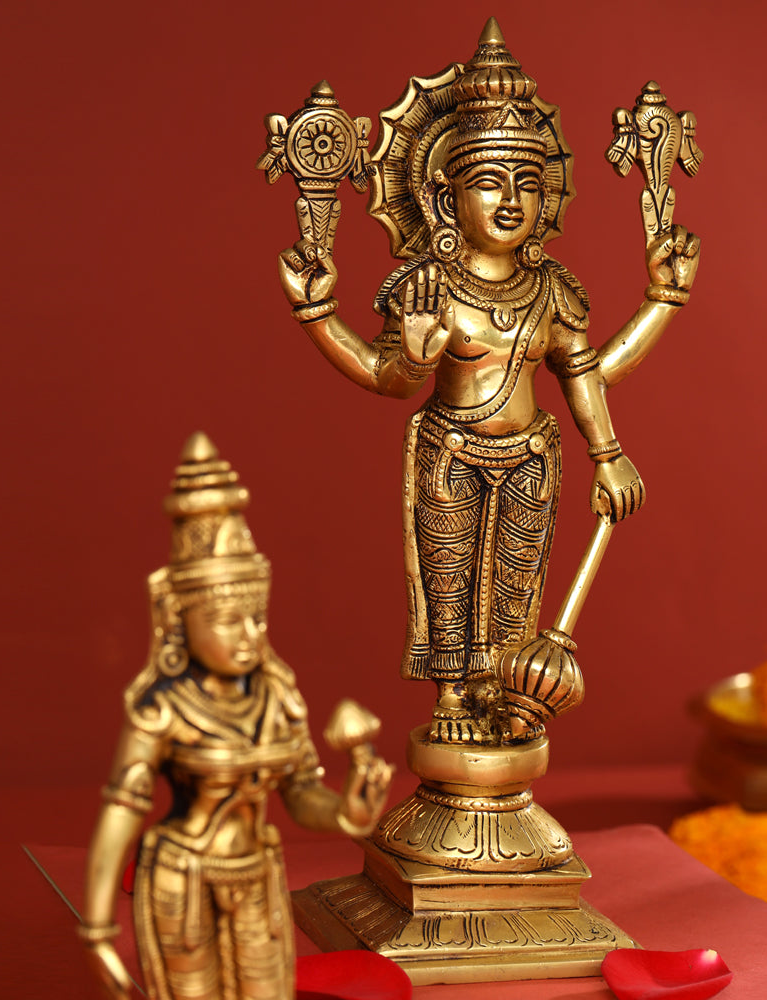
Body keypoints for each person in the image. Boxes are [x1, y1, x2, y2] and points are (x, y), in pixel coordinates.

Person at [277, 20, 700, 744]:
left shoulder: (551, 289)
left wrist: (662, 303)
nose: (511, 201)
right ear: (446, 202)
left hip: (531, 456)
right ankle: (451, 699)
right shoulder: (430, 286)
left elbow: (589, 372)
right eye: (488, 183)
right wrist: (321, 315)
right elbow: (386, 376)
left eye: (528, 185)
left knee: (515, 587)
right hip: (449, 452)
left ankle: (501, 697)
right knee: (449, 582)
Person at [78, 432, 392, 1000]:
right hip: (182, 879)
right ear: (179, 617)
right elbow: (123, 809)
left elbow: (300, 793)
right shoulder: (163, 708)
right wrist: (97, 928)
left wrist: (347, 811)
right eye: (228, 619)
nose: (249, 634)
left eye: (257, 616)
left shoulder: (275, 694)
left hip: (257, 874)